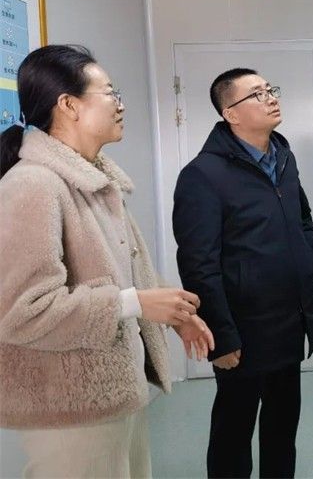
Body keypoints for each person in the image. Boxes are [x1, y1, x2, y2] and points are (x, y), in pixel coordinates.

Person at [0, 45, 214, 478]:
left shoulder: (92, 179)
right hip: (68, 409)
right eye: (111, 93)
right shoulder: (34, 185)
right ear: (69, 105)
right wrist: (135, 303)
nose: (121, 105)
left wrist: (172, 312)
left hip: (112, 392)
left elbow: (126, 269)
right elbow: (21, 312)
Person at [172, 68, 313, 478]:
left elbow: (303, 217)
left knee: (282, 426)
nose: (271, 98)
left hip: (290, 318)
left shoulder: (283, 156)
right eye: (257, 94)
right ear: (231, 114)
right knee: (234, 429)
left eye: (270, 89)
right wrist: (221, 338)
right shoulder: (203, 175)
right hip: (243, 328)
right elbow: (198, 263)